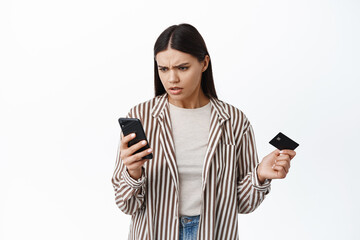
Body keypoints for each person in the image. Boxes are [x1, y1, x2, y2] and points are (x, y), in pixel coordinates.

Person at [112, 23, 296, 240]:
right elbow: (126, 204)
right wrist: (133, 172)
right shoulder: (142, 117)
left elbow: (243, 204)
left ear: (204, 63)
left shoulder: (234, 121)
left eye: (182, 68)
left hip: (214, 233)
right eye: (163, 69)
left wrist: (259, 175)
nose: (172, 79)